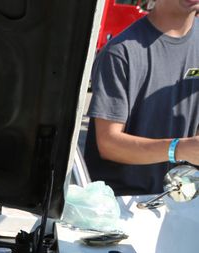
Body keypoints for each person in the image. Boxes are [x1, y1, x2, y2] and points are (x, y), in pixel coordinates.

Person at [84, 0, 199, 195]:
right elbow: (109, 144)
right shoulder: (120, 52)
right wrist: (178, 148)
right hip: (122, 201)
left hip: (181, 200)